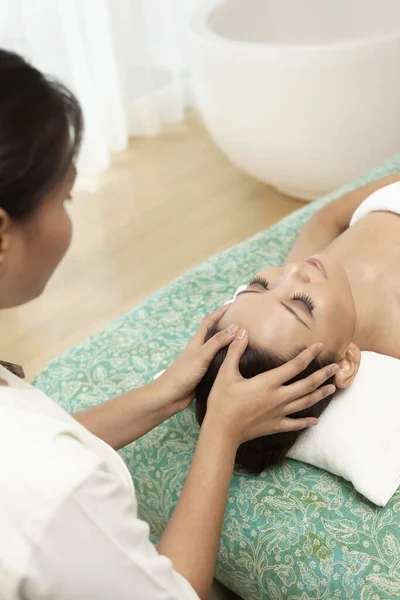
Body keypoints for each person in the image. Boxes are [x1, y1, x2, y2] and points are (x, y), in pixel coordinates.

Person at [0, 49, 336, 600]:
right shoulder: (54, 493)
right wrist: (221, 432)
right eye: (63, 197)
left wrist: (164, 394)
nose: (292, 271)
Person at [196, 169, 400, 475]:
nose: (292, 272)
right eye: (301, 304)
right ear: (345, 362)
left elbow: (326, 218)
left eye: (261, 284)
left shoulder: (311, 267)